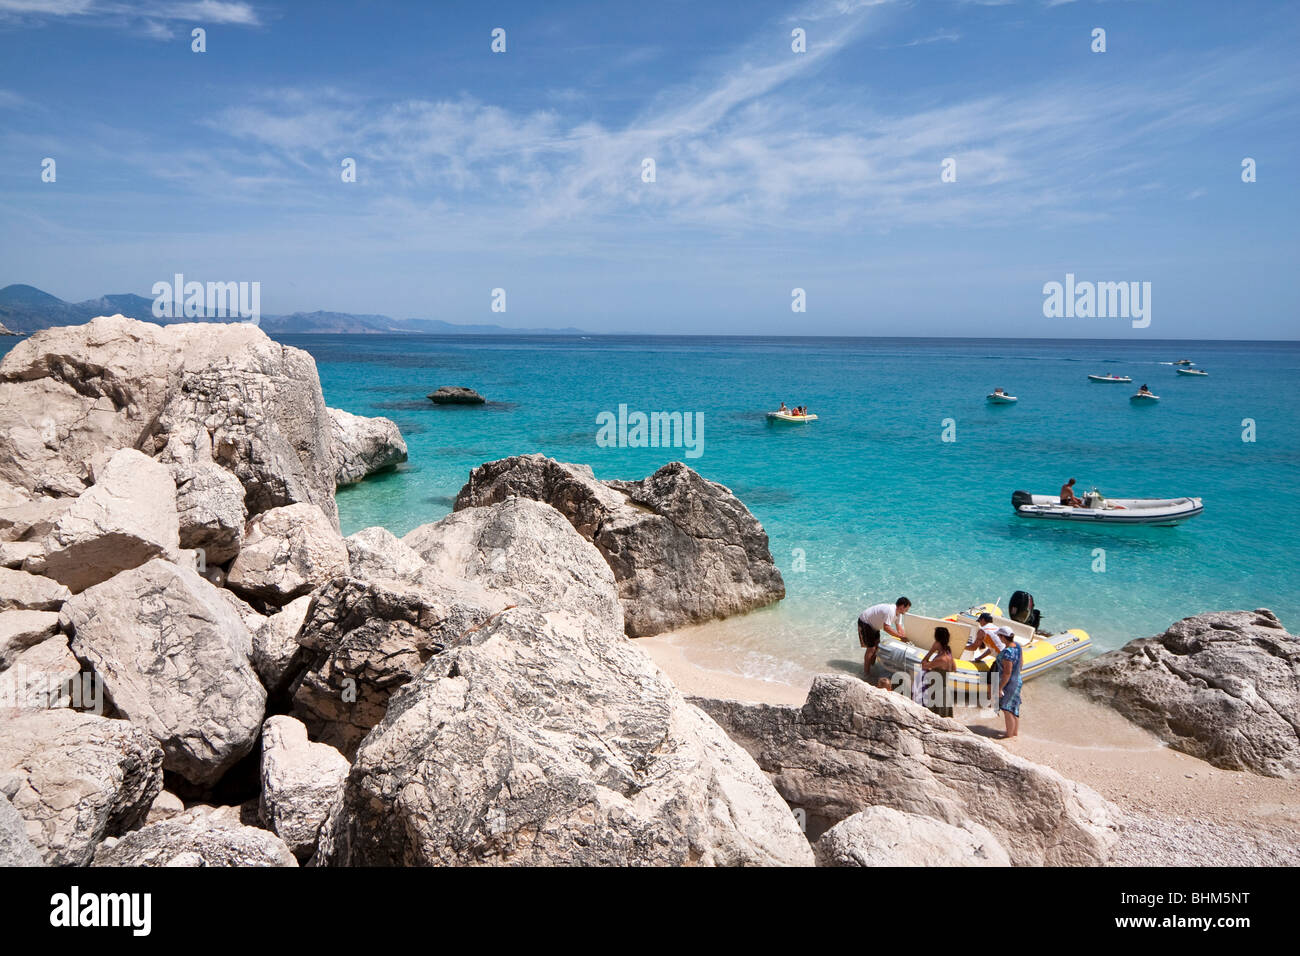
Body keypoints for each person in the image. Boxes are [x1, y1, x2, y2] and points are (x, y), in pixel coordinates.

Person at [858, 597, 911, 678]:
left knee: (877, 647)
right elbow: (886, 628)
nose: (907, 611)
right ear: (902, 607)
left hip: (874, 625)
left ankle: (872, 666)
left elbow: (899, 627)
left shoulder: (898, 613)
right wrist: (900, 637)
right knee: (871, 648)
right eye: (907, 609)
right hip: (865, 621)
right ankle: (866, 673)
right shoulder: (890, 610)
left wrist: (904, 638)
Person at [919, 626, 956, 718]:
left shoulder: (941, 659)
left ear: (937, 640)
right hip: (943, 691)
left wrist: (932, 650)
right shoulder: (948, 652)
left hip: (936, 692)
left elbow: (923, 664)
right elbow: (954, 668)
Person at [997, 628, 1024, 738]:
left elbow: (1007, 673)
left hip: (1009, 683)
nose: (999, 638)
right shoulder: (1017, 646)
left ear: (1003, 637)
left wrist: (1000, 688)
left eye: (999, 636)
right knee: (1014, 708)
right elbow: (1021, 663)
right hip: (1017, 679)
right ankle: (1014, 733)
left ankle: (1009, 735)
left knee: (1006, 708)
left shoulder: (1007, 652)